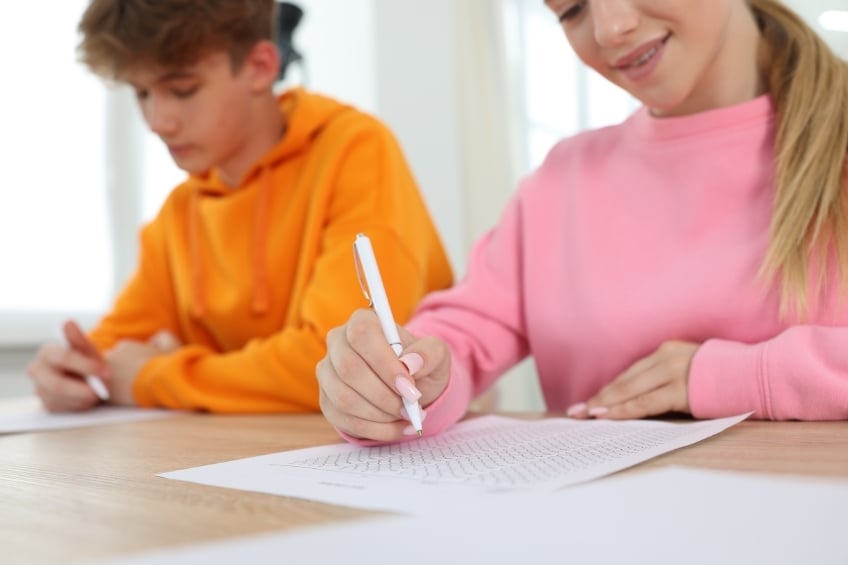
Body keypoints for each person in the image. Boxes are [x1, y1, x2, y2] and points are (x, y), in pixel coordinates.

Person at [317, 0, 848, 443]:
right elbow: (460, 338)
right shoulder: (562, 179)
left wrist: (742, 377)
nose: (610, 28)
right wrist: (392, 379)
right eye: (570, 9)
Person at [26, 0, 453, 413]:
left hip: (391, 455)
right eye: (141, 93)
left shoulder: (357, 152)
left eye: (181, 89)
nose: (157, 121)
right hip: (245, 456)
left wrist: (154, 378)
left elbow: (344, 368)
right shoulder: (180, 209)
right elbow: (111, 354)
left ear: (260, 67)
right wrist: (69, 372)